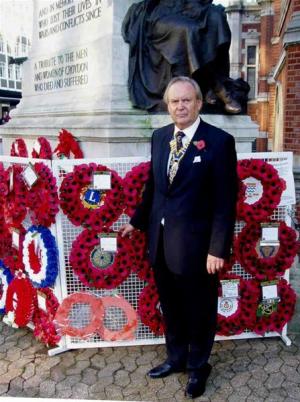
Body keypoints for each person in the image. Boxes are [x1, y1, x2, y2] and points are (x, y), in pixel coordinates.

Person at [120, 76, 238, 398]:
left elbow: (225, 202)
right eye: (175, 101)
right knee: (171, 308)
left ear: (199, 103)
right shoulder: (159, 138)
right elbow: (155, 188)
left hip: (198, 250)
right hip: (161, 244)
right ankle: (176, 358)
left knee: (199, 311)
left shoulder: (219, 142)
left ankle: (199, 367)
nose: (180, 106)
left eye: (187, 100)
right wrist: (137, 221)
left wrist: (217, 248)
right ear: (168, 106)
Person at [122, 0, 241, 113]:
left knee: (216, 17)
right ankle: (216, 87)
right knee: (188, 31)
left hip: (190, 7)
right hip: (162, 12)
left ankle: (208, 86)